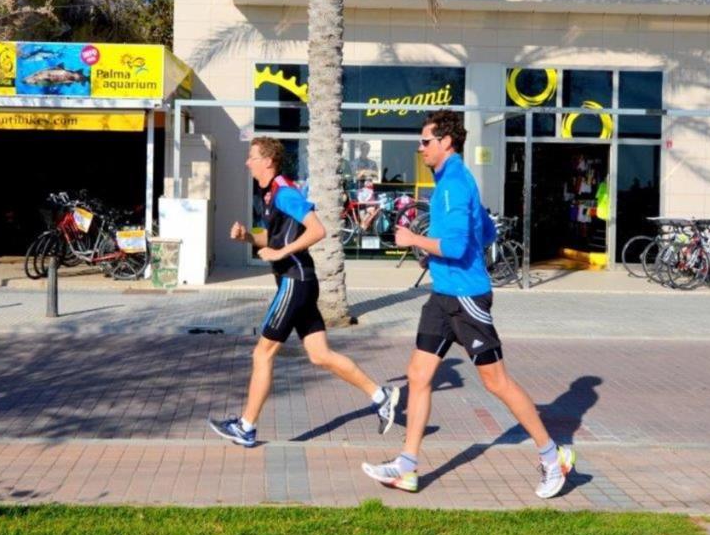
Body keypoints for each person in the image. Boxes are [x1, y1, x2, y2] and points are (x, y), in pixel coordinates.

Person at [361, 110, 575, 498]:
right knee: (419, 374)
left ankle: (552, 455)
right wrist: (435, 254)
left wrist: (414, 242)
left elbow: (459, 245)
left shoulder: (455, 184)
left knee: (496, 382)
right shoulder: (448, 181)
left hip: (465, 298)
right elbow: (487, 229)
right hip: (443, 295)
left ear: (446, 142)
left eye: (426, 141)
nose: (420, 148)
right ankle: (408, 467)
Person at [209, 137, 400, 447]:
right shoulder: (272, 192)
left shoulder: (284, 193)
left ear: (268, 161)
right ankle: (382, 397)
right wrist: (248, 236)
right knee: (320, 354)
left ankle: (246, 427)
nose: (247, 162)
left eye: (252, 157)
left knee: (263, 353)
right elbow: (272, 238)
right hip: (302, 280)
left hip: (294, 282)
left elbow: (317, 229)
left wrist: (281, 252)